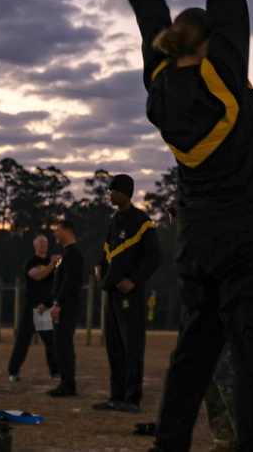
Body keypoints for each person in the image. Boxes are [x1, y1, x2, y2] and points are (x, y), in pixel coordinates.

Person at [114, 0, 253, 452]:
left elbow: (149, 19)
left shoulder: (160, 83)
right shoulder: (225, 75)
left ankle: (170, 444)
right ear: (212, 42)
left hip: (197, 234)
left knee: (194, 351)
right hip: (252, 233)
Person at [93, 174, 162, 413]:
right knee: (114, 345)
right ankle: (116, 396)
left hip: (129, 295)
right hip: (111, 292)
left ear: (126, 193)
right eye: (109, 191)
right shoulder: (115, 220)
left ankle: (132, 399)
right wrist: (100, 265)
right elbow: (107, 250)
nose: (110, 194)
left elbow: (155, 256)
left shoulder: (141, 221)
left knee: (131, 346)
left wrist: (133, 281)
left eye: (114, 191)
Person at [7, 232, 59, 382]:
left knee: (50, 341)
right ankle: (14, 370)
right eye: (41, 242)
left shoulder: (52, 262)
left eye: (46, 243)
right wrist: (52, 264)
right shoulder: (31, 262)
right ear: (35, 245)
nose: (44, 245)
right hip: (32, 305)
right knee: (23, 339)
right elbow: (38, 275)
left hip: (46, 306)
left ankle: (55, 371)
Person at [45, 219, 84, 398]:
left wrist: (58, 303)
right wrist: (48, 302)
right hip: (65, 305)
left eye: (58, 230)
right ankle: (66, 383)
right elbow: (60, 283)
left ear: (67, 231)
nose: (55, 233)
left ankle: (68, 385)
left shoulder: (73, 254)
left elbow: (69, 283)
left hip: (67, 307)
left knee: (64, 345)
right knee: (61, 345)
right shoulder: (67, 254)